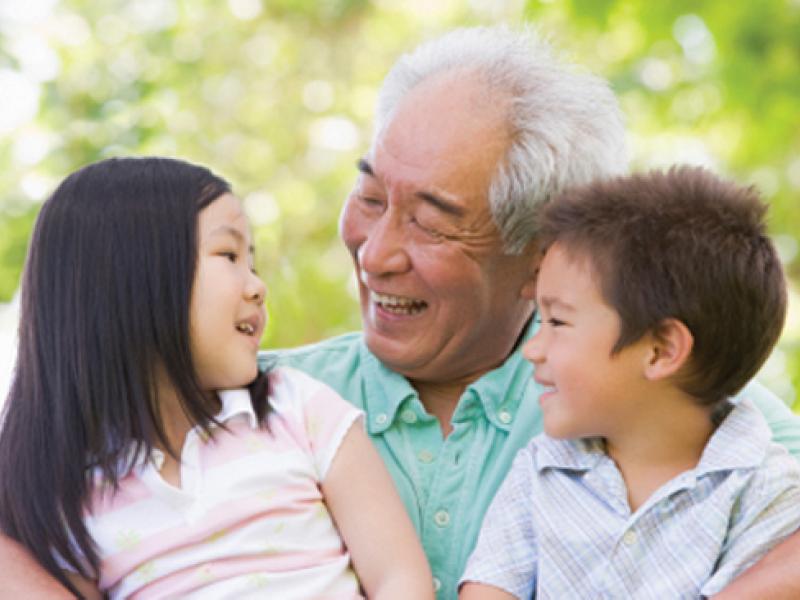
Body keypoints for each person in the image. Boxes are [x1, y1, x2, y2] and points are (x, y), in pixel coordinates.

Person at [3, 25, 800, 599]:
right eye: (371, 195)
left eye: (430, 218)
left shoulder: (633, 394)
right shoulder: (257, 405)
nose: (374, 251)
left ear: (539, 260)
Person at [0, 157, 433, 599]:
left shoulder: (297, 408)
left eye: (253, 262)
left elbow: (399, 578)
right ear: (135, 281)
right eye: (229, 255)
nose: (257, 286)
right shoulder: (67, 496)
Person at [458, 166, 800, 598]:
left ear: (660, 351)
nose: (534, 348)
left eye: (558, 322)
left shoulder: (764, 493)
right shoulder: (540, 470)